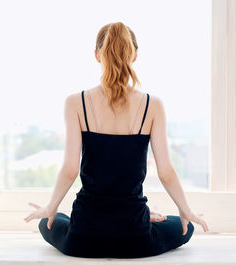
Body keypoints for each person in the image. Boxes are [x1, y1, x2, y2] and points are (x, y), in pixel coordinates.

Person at [24, 21, 209, 258]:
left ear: (97, 56)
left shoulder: (75, 103)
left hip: (82, 238)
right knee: (185, 226)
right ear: (134, 55)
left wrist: (50, 207)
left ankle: (142, 214)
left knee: (48, 221)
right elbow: (166, 172)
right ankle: (145, 214)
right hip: (135, 238)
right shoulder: (153, 106)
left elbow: (70, 169)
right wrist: (185, 211)